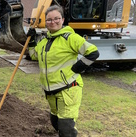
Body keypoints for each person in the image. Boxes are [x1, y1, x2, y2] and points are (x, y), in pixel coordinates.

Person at [26, 5, 99, 137]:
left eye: (56, 18)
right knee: (55, 123)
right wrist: (31, 41)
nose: (52, 22)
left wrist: (78, 67)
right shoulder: (44, 40)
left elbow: (93, 52)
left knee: (66, 130)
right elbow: (34, 55)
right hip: (50, 93)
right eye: (49, 20)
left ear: (63, 20)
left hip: (68, 90)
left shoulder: (70, 37)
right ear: (45, 22)